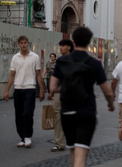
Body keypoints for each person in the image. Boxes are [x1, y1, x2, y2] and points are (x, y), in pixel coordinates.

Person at [49, 27, 115, 167]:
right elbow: (107, 92)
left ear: (73, 42)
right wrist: (111, 104)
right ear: (89, 42)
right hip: (86, 111)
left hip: (67, 111)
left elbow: (53, 87)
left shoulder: (62, 62)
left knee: (73, 151)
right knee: (81, 152)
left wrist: (66, 86)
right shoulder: (94, 64)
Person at [4, 35, 45, 148]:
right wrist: (7, 90)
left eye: (25, 42)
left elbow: (38, 74)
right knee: (18, 115)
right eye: (21, 43)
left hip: (30, 88)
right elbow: (12, 75)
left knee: (27, 113)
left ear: (28, 43)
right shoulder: (15, 58)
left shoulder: (34, 57)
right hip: (18, 89)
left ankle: (27, 136)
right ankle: (22, 137)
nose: (23, 44)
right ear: (18, 44)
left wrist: (41, 90)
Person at [47, 39, 74, 152]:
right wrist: (51, 91)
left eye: (63, 46)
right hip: (59, 92)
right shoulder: (60, 60)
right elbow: (56, 77)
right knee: (58, 116)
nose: (61, 48)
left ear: (69, 47)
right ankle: (59, 143)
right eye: (60, 46)